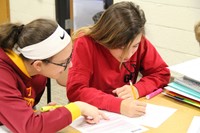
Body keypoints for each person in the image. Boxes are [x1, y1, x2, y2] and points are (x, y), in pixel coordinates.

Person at [58, 1, 170, 117]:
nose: (128, 55)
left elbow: (162, 73)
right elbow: (76, 91)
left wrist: (137, 89)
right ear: (107, 38)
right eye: (121, 47)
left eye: (135, 46)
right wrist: (118, 105)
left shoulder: (138, 41)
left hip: (124, 113)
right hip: (92, 112)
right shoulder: (85, 44)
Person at [0, 19, 108, 133]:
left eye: (70, 58)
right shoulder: (3, 75)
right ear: (38, 65)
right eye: (63, 62)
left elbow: (24, 114)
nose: (70, 65)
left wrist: (43, 116)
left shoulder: (36, 70)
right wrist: (77, 108)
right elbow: (30, 127)